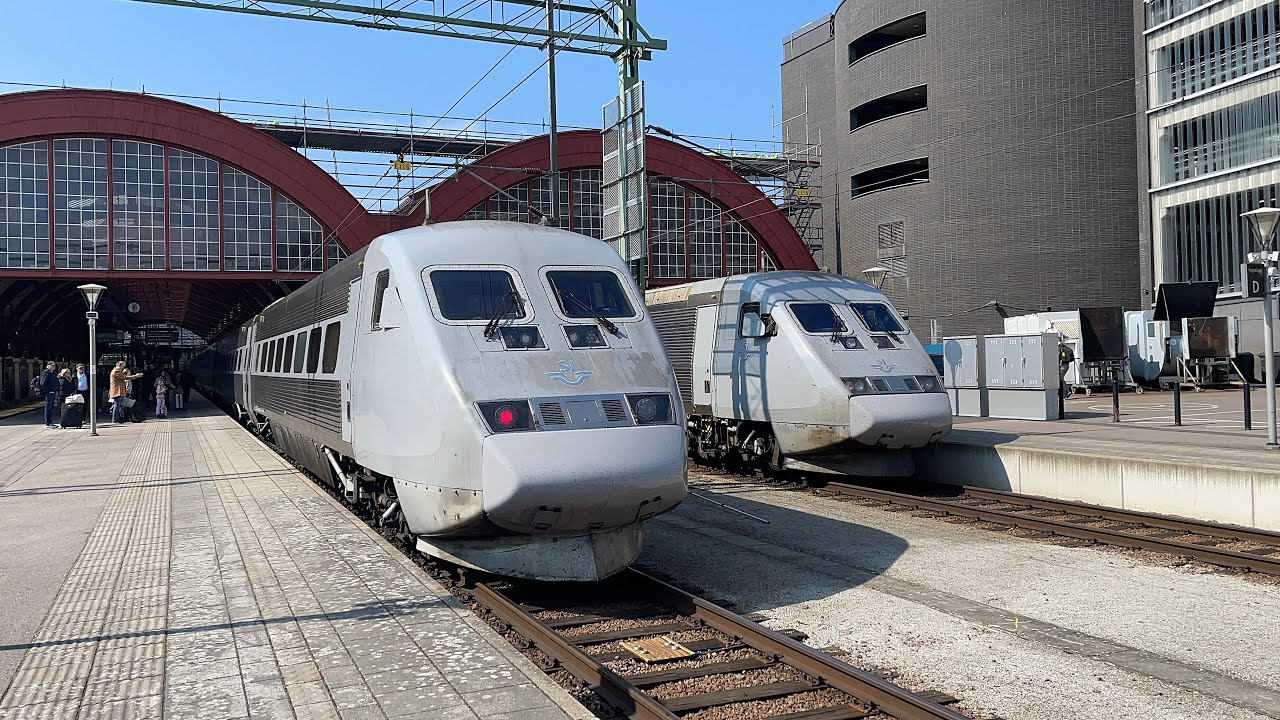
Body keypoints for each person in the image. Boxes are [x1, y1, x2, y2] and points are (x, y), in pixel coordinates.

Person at [38, 362, 59, 428]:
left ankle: (50, 422)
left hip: (53, 392)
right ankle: (48, 422)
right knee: (48, 407)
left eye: (54, 366)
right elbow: (43, 383)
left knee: (50, 407)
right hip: (49, 393)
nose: (53, 367)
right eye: (52, 365)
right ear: (48, 366)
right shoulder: (45, 373)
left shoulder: (52, 373)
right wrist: (48, 390)